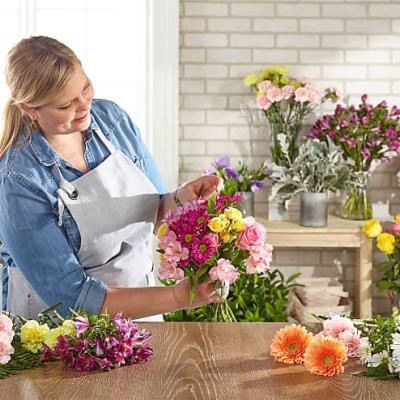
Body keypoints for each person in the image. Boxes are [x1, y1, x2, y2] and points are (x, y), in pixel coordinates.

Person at [0, 36, 223, 320]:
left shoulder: (111, 120)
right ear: (31, 110)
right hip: (58, 333)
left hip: (143, 313)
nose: (83, 106)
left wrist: (180, 199)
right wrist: (179, 296)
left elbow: (153, 215)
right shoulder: (18, 180)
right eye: (66, 104)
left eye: (85, 87)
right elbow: (72, 296)